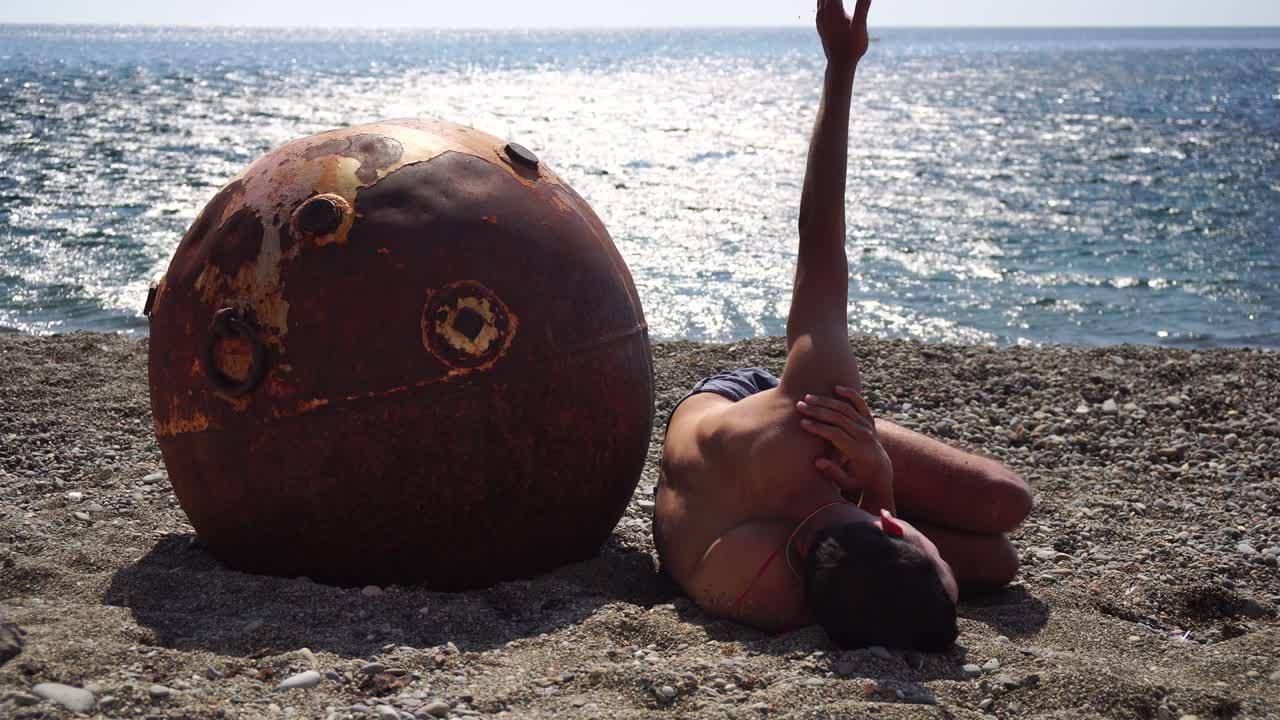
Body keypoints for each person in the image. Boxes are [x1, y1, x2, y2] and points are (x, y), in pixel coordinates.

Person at [653, 0, 1033, 651]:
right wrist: (877, 478)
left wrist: (840, 66)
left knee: (1007, 509)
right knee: (1000, 556)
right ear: (890, 524)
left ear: (891, 530)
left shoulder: (807, 425)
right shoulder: (783, 589)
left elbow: (818, 238)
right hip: (783, 488)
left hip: (745, 414)